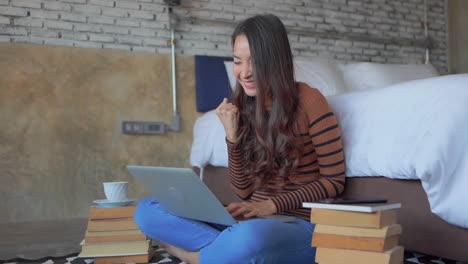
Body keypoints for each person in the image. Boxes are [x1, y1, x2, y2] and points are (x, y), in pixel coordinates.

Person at [134, 14, 346, 264]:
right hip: (249, 220)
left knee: (248, 238)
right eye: (237, 61)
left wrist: (269, 206)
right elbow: (243, 190)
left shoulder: (311, 100)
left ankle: (191, 255)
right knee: (147, 211)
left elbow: (334, 182)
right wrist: (232, 138)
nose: (244, 72)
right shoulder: (243, 106)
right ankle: (225, 251)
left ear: (275, 62)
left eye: (254, 62)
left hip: (297, 224)